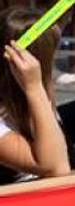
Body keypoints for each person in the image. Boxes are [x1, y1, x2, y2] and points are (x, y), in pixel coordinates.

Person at [0, 12, 69, 181]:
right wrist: (34, 87)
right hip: (18, 192)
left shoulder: (18, 96)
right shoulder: (33, 87)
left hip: (40, 173)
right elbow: (58, 169)